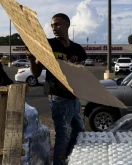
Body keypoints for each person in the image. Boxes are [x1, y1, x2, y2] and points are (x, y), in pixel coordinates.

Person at [26, 13, 87, 165]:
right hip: (58, 97)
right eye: (52, 25)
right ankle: (59, 163)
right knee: (63, 135)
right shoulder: (48, 45)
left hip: (73, 97)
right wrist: (32, 59)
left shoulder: (77, 49)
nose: (54, 28)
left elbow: (81, 72)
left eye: (58, 24)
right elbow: (36, 72)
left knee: (79, 131)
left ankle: (68, 158)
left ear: (67, 25)